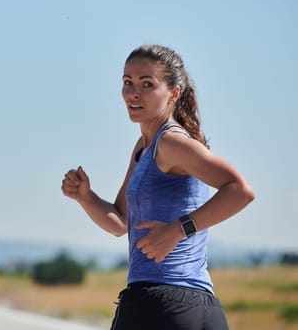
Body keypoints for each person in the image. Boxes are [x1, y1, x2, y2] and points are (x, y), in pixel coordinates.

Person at [61, 44, 255, 329]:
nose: (133, 93)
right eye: (128, 82)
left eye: (147, 84)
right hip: (197, 308)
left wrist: (179, 229)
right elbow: (121, 222)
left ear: (174, 93)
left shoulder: (171, 143)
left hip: (160, 305)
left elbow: (240, 190)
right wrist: (86, 197)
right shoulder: (144, 148)